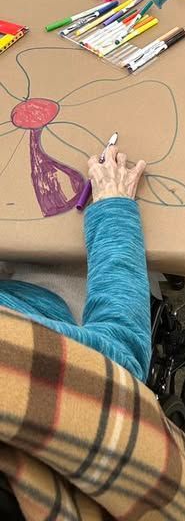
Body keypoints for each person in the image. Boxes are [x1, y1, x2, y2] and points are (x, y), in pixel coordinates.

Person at [0, 144, 150, 381]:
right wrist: (114, 209)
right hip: (49, 314)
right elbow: (119, 361)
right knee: (76, 259)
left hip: (13, 300)